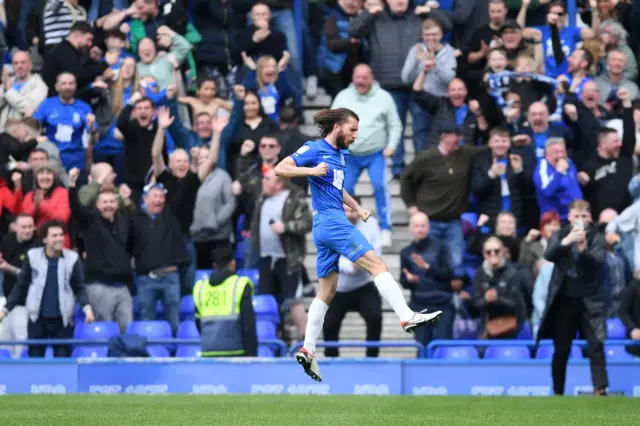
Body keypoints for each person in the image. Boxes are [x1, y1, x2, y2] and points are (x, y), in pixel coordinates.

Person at [274, 108, 442, 382]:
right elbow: (280, 168)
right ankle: (407, 316)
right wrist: (311, 170)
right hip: (332, 222)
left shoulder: (340, 155)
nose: (355, 136)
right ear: (338, 126)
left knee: (327, 291)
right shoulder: (314, 149)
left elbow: (337, 188)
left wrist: (356, 207)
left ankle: (308, 348)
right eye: (352, 130)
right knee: (377, 264)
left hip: (326, 224)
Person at [536, 200, 609, 396]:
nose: (580, 220)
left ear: (590, 217)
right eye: (576, 216)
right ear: (569, 217)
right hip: (564, 301)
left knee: (596, 347)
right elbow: (549, 254)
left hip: (590, 301)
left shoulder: (597, 237)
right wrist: (566, 242)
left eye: (584, 216)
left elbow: (598, 261)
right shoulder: (559, 234)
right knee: (561, 350)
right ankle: (558, 392)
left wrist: (584, 250)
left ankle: (600, 389)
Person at [0, 220, 95, 357]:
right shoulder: (32, 256)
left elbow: (79, 288)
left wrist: (87, 309)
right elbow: (21, 286)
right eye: (54, 236)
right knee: (35, 361)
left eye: (61, 235)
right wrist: (5, 310)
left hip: (63, 321)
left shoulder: (73, 259)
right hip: (36, 319)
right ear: (44, 239)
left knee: (63, 363)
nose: (59, 239)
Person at [193, 246, 257, 357]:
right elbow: (248, 324)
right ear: (233, 263)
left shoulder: (200, 287)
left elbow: (198, 322)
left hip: (208, 352)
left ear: (214, 265)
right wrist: (252, 355)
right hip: (235, 352)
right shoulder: (240, 285)